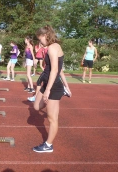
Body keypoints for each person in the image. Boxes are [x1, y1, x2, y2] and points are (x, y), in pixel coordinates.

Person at [32, 25, 71, 153]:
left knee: (52, 118)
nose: (40, 42)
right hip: (49, 83)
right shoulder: (53, 47)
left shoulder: (53, 48)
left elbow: (55, 70)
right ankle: (62, 90)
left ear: (45, 36)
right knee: (37, 106)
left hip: (53, 86)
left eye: (40, 39)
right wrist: (67, 86)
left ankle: (48, 145)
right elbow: (61, 71)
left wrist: (48, 90)